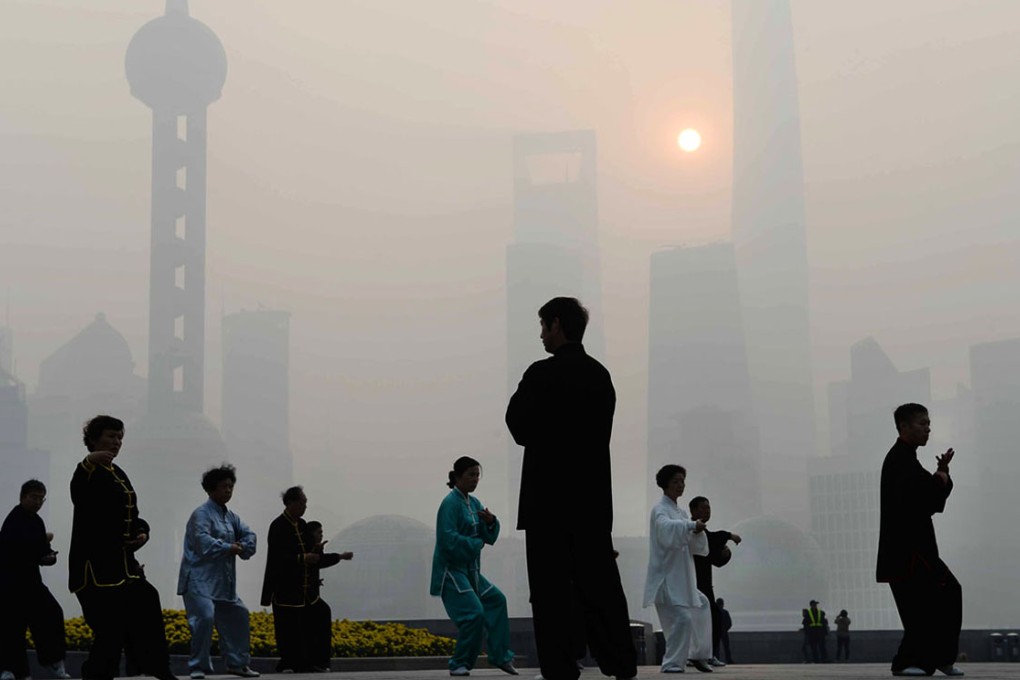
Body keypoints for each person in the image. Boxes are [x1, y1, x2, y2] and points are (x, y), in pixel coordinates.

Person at [506, 297, 637, 680]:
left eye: (544, 325)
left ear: (557, 325)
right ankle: (620, 661)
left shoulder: (540, 374)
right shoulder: (600, 376)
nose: (541, 334)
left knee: (551, 590)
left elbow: (518, 426)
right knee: (600, 584)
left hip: (547, 503)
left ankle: (561, 665)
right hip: (591, 502)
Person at [69, 415, 177, 680]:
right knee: (110, 627)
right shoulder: (87, 471)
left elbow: (132, 513)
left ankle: (159, 669)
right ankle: (95, 674)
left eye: (120, 438)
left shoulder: (119, 473)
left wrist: (142, 532)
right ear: (94, 439)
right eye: (110, 436)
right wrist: (88, 462)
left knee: (147, 603)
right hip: (96, 568)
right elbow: (78, 492)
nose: (116, 442)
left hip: (124, 565)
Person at [877, 403, 963, 677]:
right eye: (922, 423)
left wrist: (942, 474)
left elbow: (930, 495)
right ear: (904, 427)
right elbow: (923, 499)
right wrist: (940, 478)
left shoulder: (908, 460)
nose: (928, 429)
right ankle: (906, 663)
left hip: (919, 551)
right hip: (907, 553)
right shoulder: (898, 461)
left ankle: (941, 658)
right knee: (920, 609)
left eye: (928, 423)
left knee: (947, 594)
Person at [429, 457, 517, 677]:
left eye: (477, 475)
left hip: (471, 572)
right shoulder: (449, 504)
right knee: (474, 614)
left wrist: (490, 522)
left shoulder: (475, 503)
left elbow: (487, 535)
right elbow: (447, 540)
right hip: (451, 572)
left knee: (497, 600)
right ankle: (459, 663)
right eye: (470, 475)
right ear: (457, 476)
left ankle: (500, 656)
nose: (475, 479)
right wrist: (475, 543)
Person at [177, 465, 259, 679]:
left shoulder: (232, 517)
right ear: (211, 489)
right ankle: (198, 666)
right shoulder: (201, 515)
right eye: (224, 486)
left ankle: (237, 663)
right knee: (204, 617)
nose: (228, 491)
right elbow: (203, 542)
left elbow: (249, 536)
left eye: (231, 486)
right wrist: (229, 547)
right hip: (198, 580)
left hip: (224, 581)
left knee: (239, 615)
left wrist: (242, 547)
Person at [643, 465, 713, 674]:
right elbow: (666, 531)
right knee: (682, 619)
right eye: (675, 481)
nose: (680, 485)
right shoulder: (660, 510)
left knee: (702, 604)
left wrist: (695, 530)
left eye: (682, 481)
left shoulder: (680, 512)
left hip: (681, 579)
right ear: (665, 484)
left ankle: (697, 654)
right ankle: (672, 663)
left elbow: (691, 544)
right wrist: (690, 526)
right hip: (665, 579)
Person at [0, 480, 69, 680]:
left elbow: (40, 551)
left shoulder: (37, 521)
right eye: (34, 497)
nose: (38, 502)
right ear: (23, 497)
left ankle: (53, 661)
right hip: (10, 584)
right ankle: (11, 670)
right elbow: (14, 548)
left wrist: (49, 556)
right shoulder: (14, 520)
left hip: (31, 583)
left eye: (41, 498)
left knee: (52, 612)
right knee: (12, 626)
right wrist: (41, 543)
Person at [261, 486, 332, 672]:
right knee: (289, 628)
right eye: (302, 502)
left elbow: (309, 550)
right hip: (286, 588)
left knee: (318, 617)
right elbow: (277, 558)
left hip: (304, 589)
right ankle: (292, 663)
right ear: (290, 503)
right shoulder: (278, 526)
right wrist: (302, 558)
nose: (305, 506)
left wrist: (316, 550)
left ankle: (315, 661)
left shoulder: (302, 525)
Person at [688, 496, 741, 667]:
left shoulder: (704, 533)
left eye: (708, 508)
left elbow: (713, 559)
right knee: (697, 619)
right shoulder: (691, 530)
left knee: (713, 617)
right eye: (703, 508)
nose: (707, 511)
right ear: (693, 511)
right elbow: (711, 539)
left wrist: (725, 555)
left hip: (704, 584)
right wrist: (729, 535)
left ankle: (707, 655)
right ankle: (695, 655)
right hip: (691, 583)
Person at [715, 599, 733, 665]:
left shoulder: (714, 613)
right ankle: (729, 660)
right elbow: (729, 623)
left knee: (716, 648)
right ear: (722, 604)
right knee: (726, 647)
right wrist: (725, 629)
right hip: (724, 632)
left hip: (716, 632)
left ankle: (717, 659)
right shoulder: (725, 612)